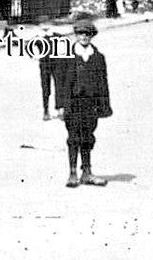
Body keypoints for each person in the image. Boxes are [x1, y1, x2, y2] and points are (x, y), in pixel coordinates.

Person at [56, 17, 111, 187]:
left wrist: (104, 105)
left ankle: (87, 172)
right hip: (72, 103)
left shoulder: (98, 57)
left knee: (87, 137)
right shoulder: (67, 56)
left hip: (90, 104)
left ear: (91, 36)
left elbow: (103, 82)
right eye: (80, 34)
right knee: (73, 137)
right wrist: (60, 106)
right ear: (76, 35)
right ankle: (72, 173)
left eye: (87, 34)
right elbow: (59, 81)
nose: (84, 37)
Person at [36, 23, 68, 120]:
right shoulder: (38, 38)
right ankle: (46, 111)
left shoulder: (57, 36)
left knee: (59, 86)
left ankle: (60, 110)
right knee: (45, 87)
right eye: (42, 25)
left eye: (47, 24)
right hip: (44, 65)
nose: (45, 26)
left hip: (57, 64)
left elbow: (66, 45)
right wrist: (34, 56)